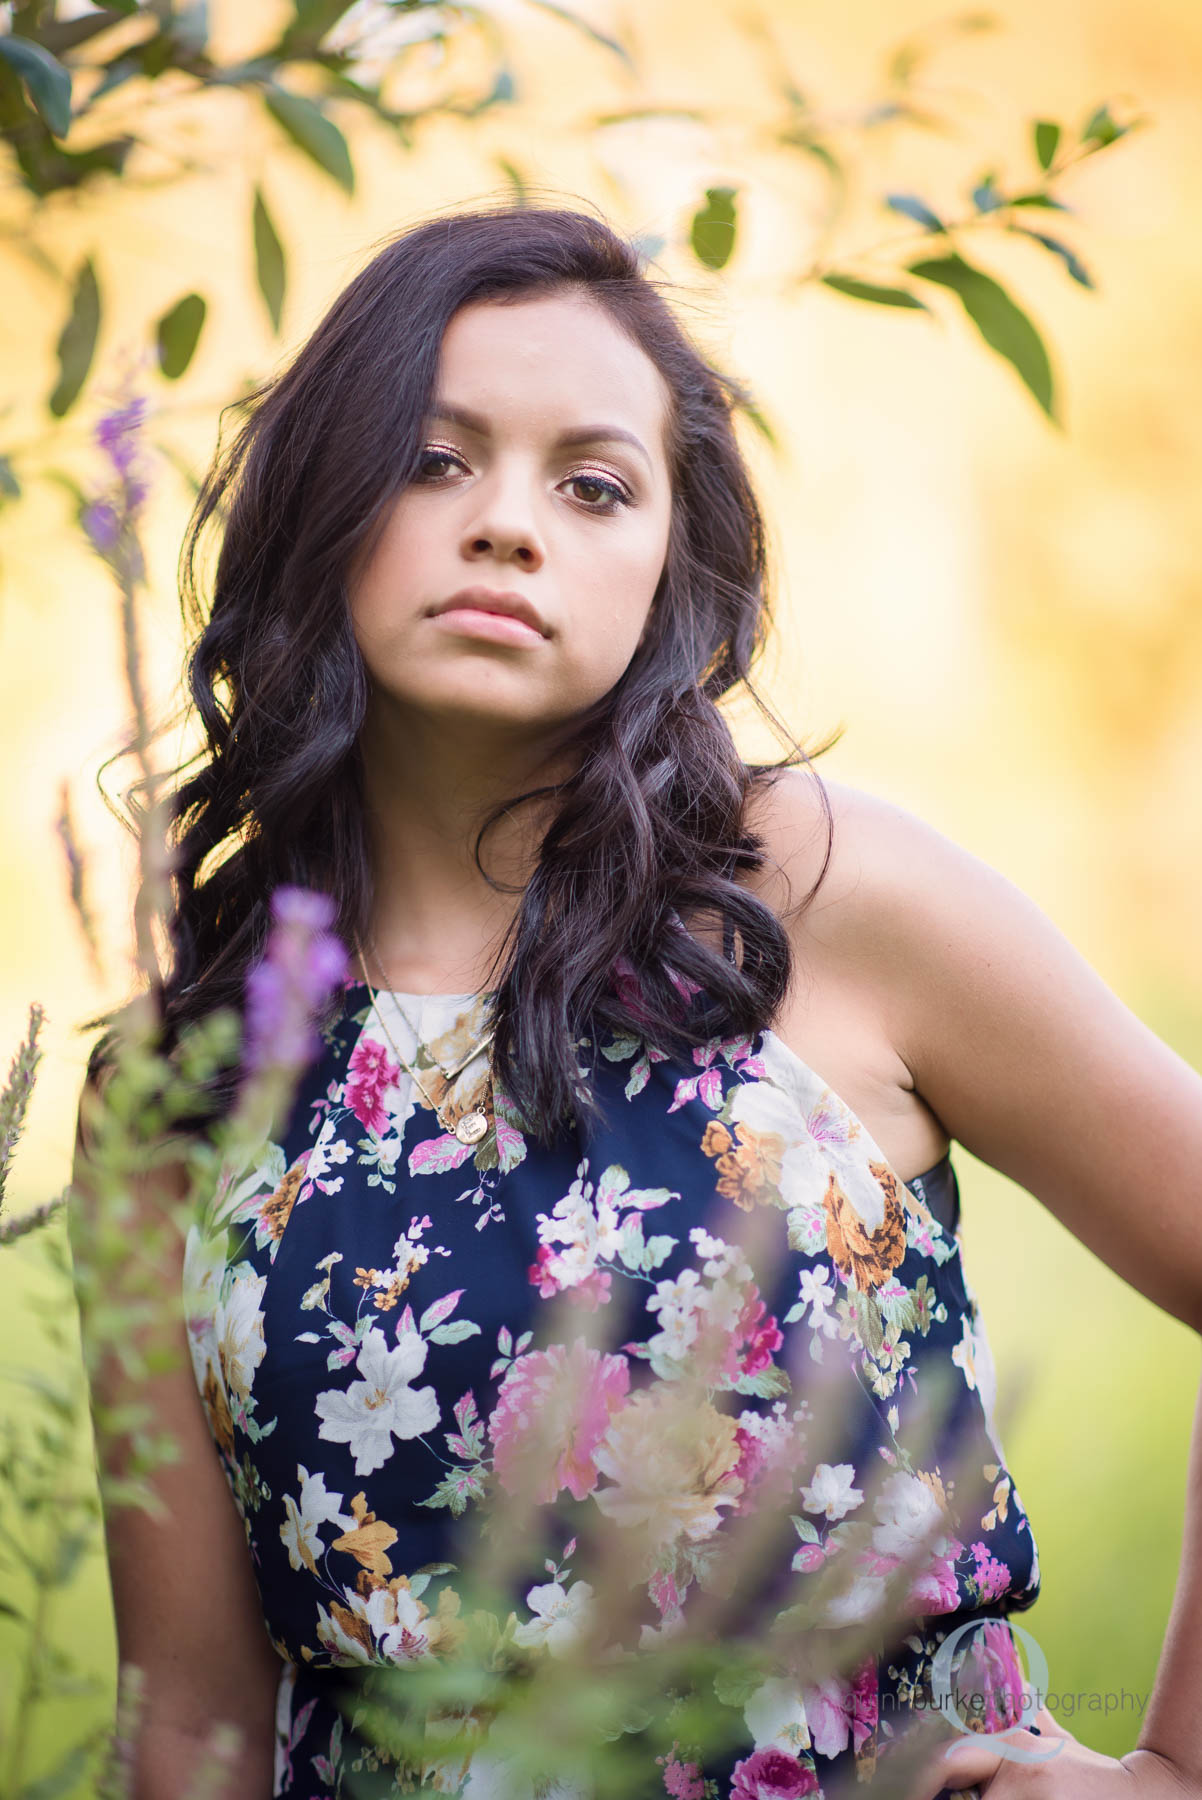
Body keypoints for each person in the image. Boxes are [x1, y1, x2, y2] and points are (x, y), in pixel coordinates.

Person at [71, 201, 1202, 1800]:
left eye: (591, 484)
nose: (508, 524)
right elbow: (188, 1719)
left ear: (671, 560)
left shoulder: (811, 899)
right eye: (433, 457)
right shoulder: (185, 1083)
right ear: (319, 505)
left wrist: (1173, 1768)